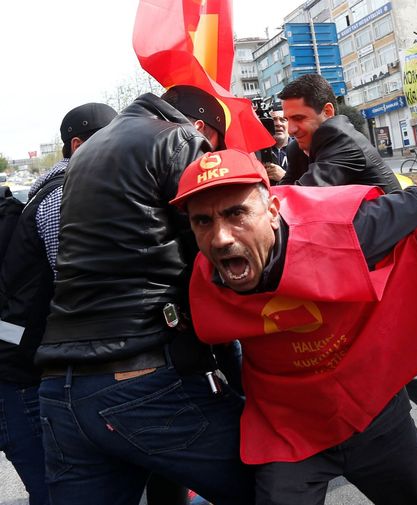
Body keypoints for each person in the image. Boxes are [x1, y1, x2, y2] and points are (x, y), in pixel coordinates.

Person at [171, 147, 417, 505]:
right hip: (287, 433)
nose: (221, 237)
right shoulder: (199, 282)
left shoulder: (352, 231)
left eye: (236, 213)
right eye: (203, 221)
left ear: (272, 212)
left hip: (374, 415)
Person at [33, 86, 253, 505]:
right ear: (201, 126)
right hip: (141, 374)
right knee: (273, 484)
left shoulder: (87, 154)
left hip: (61, 388)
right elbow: (212, 254)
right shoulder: (180, 140)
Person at [279, 73, 417, 438]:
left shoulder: (339, 140)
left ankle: (396, 435)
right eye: (287, 119)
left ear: (327, 111)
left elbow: (301, 198)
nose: (291, 128)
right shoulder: (309, 145)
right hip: (360, 255)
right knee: (372, 343)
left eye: (298, 119)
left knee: (369, 346)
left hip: (387, 257)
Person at [0, 102, 116, 505]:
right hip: (18, 373)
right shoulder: (64, 195)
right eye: (112, 140)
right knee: (55, 490)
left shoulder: (40, 197)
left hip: (29, 362)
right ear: (79, 145)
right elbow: (81, 282)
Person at [262, 102, 290, 184]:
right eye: (273, 120)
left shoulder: (301, 148)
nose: (278, 124)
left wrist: (284, 177)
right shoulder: (258, 152)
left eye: (282, 120)